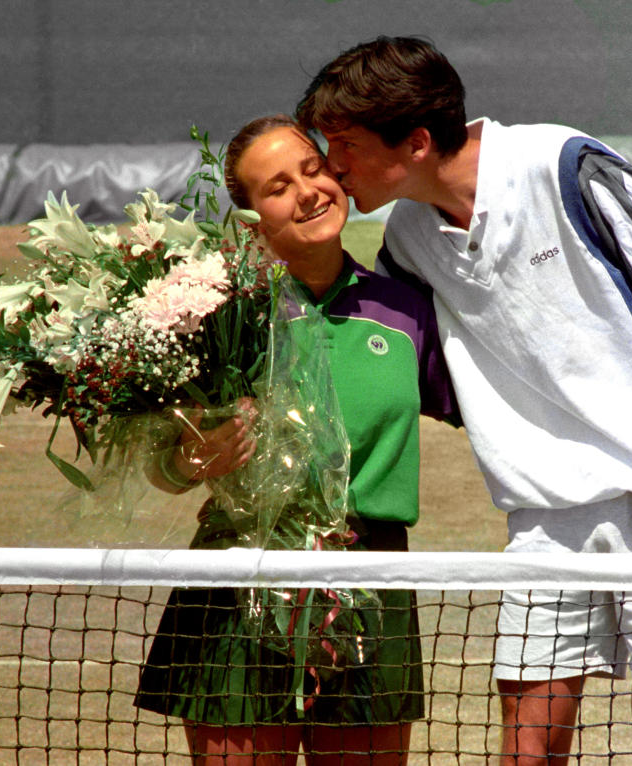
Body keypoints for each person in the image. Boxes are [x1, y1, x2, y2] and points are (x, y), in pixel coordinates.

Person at [296, 36, 632, 766]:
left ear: (415, 141)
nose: (333, 164)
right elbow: (405, 363)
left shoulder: (568, 164)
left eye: (342, 144)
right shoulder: (408, 239)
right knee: (526, 752)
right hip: (542, 518)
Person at [134, 114, 460, 766]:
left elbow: (493, 410)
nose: (308, 191)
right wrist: (198, 456)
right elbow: (163, 464)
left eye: (313, 170)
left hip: (373, 584)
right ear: (252, 218)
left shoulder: (407, 311)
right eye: (279, 186)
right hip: (238, 583)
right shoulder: (217, 318)